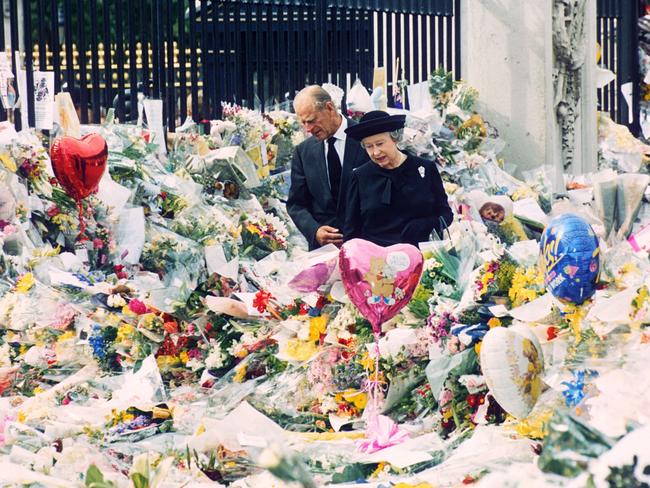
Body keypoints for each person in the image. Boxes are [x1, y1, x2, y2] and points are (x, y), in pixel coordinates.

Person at [343, 110, 453, 247]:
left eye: (380, 143)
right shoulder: (360, 177)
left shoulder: (426, 168)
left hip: (423, 256)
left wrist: (426, 225)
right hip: (377, 261)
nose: (376, 152)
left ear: (395, 138)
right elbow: (351, 232)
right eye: (369, 146)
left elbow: (446, 214)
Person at [287, 86, 368, 249]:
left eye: (311, 120)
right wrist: (314, 231)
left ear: (329, 108)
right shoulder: (303, 152)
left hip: (366, 246)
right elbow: (296, 204)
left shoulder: (366, 140)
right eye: (303, 122)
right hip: (323, 252)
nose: (308, 129)